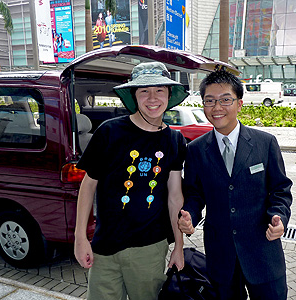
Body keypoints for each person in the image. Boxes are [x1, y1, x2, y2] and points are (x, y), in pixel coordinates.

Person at [74, 61, 189, 300]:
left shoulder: (174, 140)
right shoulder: (109, 132)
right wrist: (80, 237)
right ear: (134, 96)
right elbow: (88, 185)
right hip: (105, 246)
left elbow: (175, 198)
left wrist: (178, 246)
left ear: (169, 95)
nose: (152, 97)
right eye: (144, 91)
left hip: (150, 248)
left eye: (159, 90)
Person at [178, 70, 293, 300]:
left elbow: (280, 190)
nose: (217, 107)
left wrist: (279, 217)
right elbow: (194, 193)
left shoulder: (265, 143)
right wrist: (189, 214)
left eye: (225, 99)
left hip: (263, 252)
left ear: (239, 104)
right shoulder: (196, 150)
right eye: (210, 101)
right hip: (221, 254)